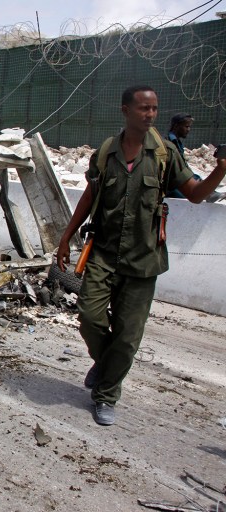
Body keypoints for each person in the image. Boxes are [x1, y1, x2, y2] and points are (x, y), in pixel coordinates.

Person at [55, 85, 226, 427]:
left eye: (154, 109)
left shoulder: (164, 154)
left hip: (143, 259)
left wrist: (220, 172)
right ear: (125, 110)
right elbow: (90, 196)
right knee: (89, 318)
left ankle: (105, 395)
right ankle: (105, 363)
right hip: (103, 254)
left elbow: (194, 194)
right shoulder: (105, 152)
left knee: (128, 335)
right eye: (143, 108)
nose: (150, 114)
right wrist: (66, 236)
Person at [166, 113, 200, 198]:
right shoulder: (170, 142)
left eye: (189, 127)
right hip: (172, 185)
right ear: (176, 126)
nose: (188, 130)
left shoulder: (176, 141)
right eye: (186, 127)